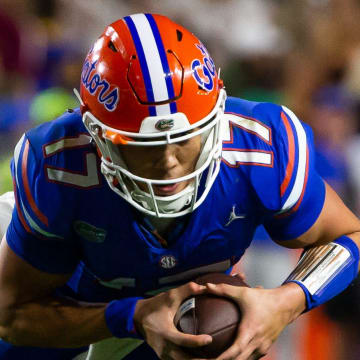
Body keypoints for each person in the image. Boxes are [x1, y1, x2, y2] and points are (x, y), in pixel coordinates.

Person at [0, 13, 359, 360]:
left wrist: (286, 301)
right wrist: (133, 316)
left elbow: (351, 235)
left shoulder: (260, 148)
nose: (170, 162)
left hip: (165, 314)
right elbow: (13, 315)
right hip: (67, 301)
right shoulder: (58, 167)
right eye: (146, 148)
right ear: (97, 136)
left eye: (186, 140)